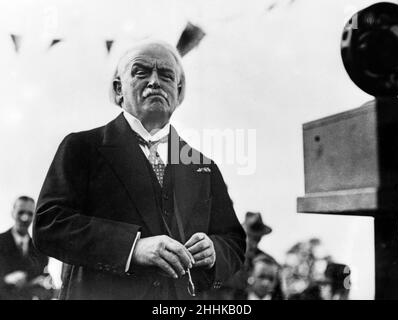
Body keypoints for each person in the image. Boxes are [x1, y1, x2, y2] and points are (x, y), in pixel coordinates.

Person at [33, 41, 246, 300]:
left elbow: (234, 241)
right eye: (141, 72)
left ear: (179, 93)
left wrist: (214, 251)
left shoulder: (202, 166)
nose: (155, 82)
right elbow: (48, 225)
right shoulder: (82, 147)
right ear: (118, 89)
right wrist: (132, 248)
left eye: (166, 75)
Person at [204, 211, 272, 299]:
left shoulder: (256, 262)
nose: (254, 245)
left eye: (258, 240)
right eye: (251, 238)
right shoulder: (222, 254)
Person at [0, 196, 49, 300]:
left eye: (30, 214)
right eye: (21, 212)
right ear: (13, 213)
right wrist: (6, 280)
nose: (25, 218)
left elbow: (43, 278)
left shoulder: (39, 248)